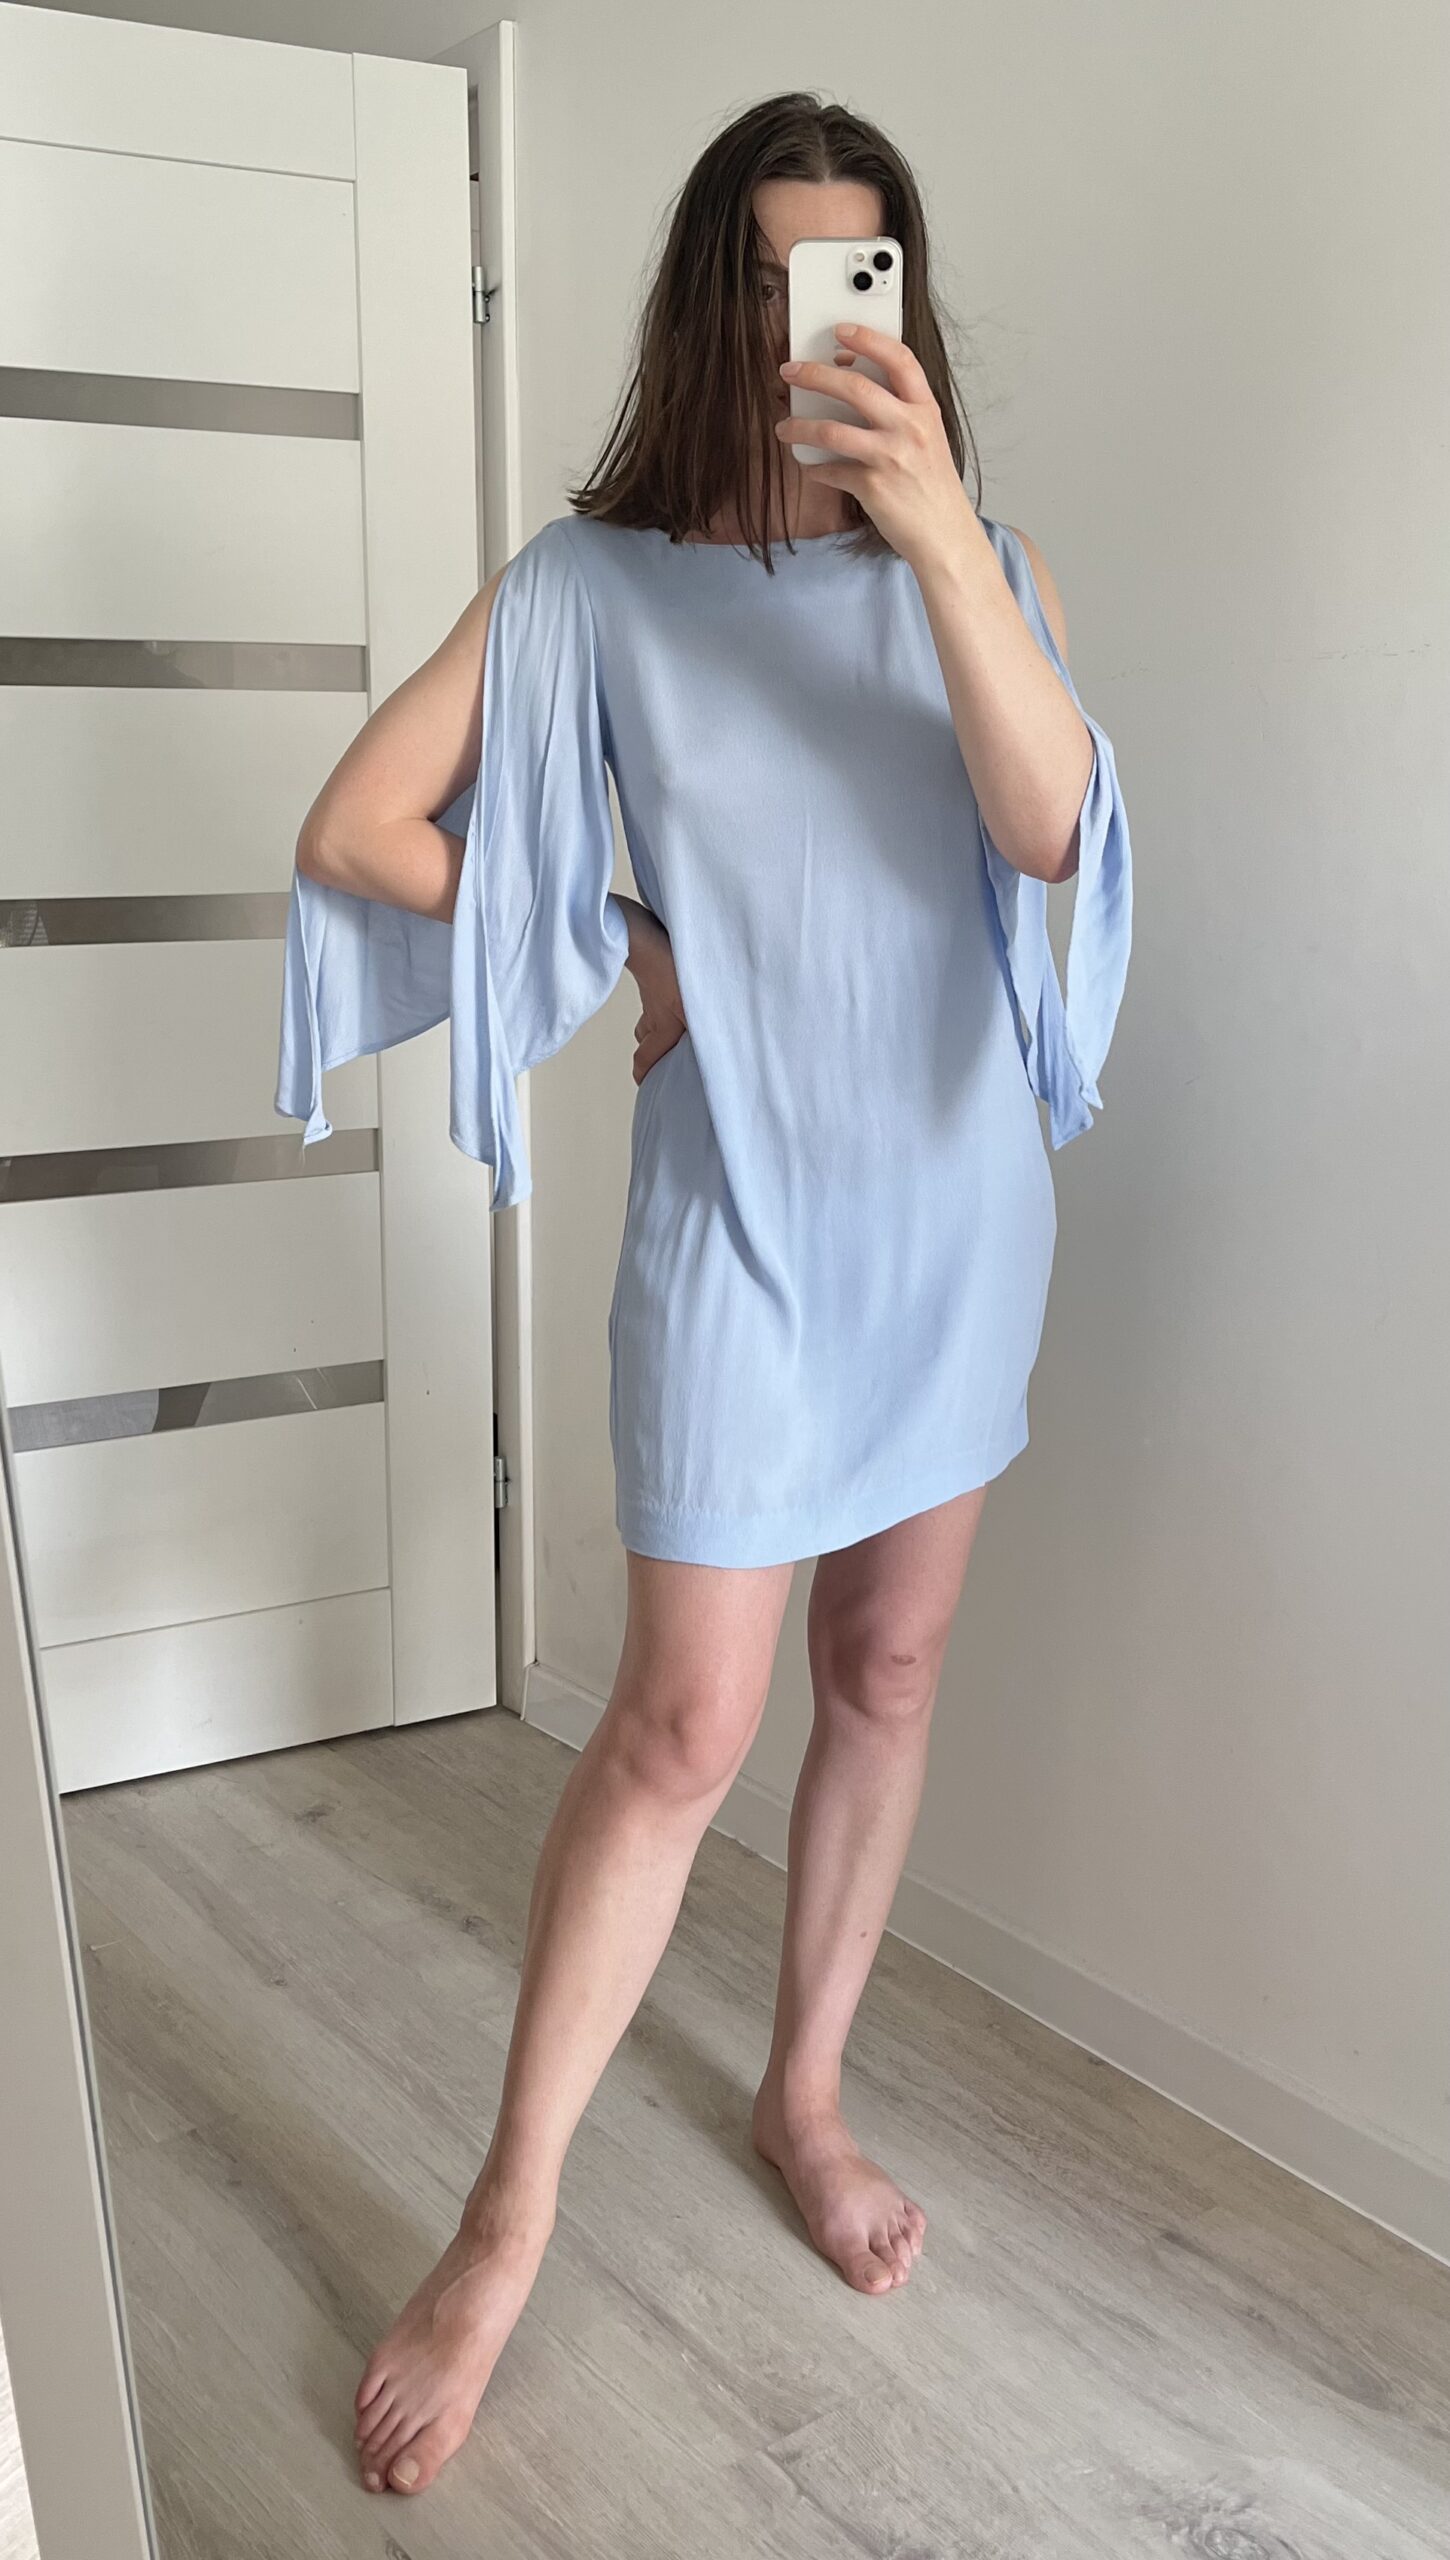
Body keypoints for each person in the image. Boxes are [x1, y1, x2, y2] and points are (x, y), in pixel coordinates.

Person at [276, 91, 1131, 2501]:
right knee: (675, 1726)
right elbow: (356, 826)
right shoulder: (591, 587)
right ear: (702, 304)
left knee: (886, 1667)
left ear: (900, 307)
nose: (802, 330)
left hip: (949, 1217)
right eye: (767, 282)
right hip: (731, 1224)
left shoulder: (982, 567)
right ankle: (504, 2218)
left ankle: (802, 2090)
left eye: (849, 281)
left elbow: (1049, 825)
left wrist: (936, 534)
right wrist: (617, 931)